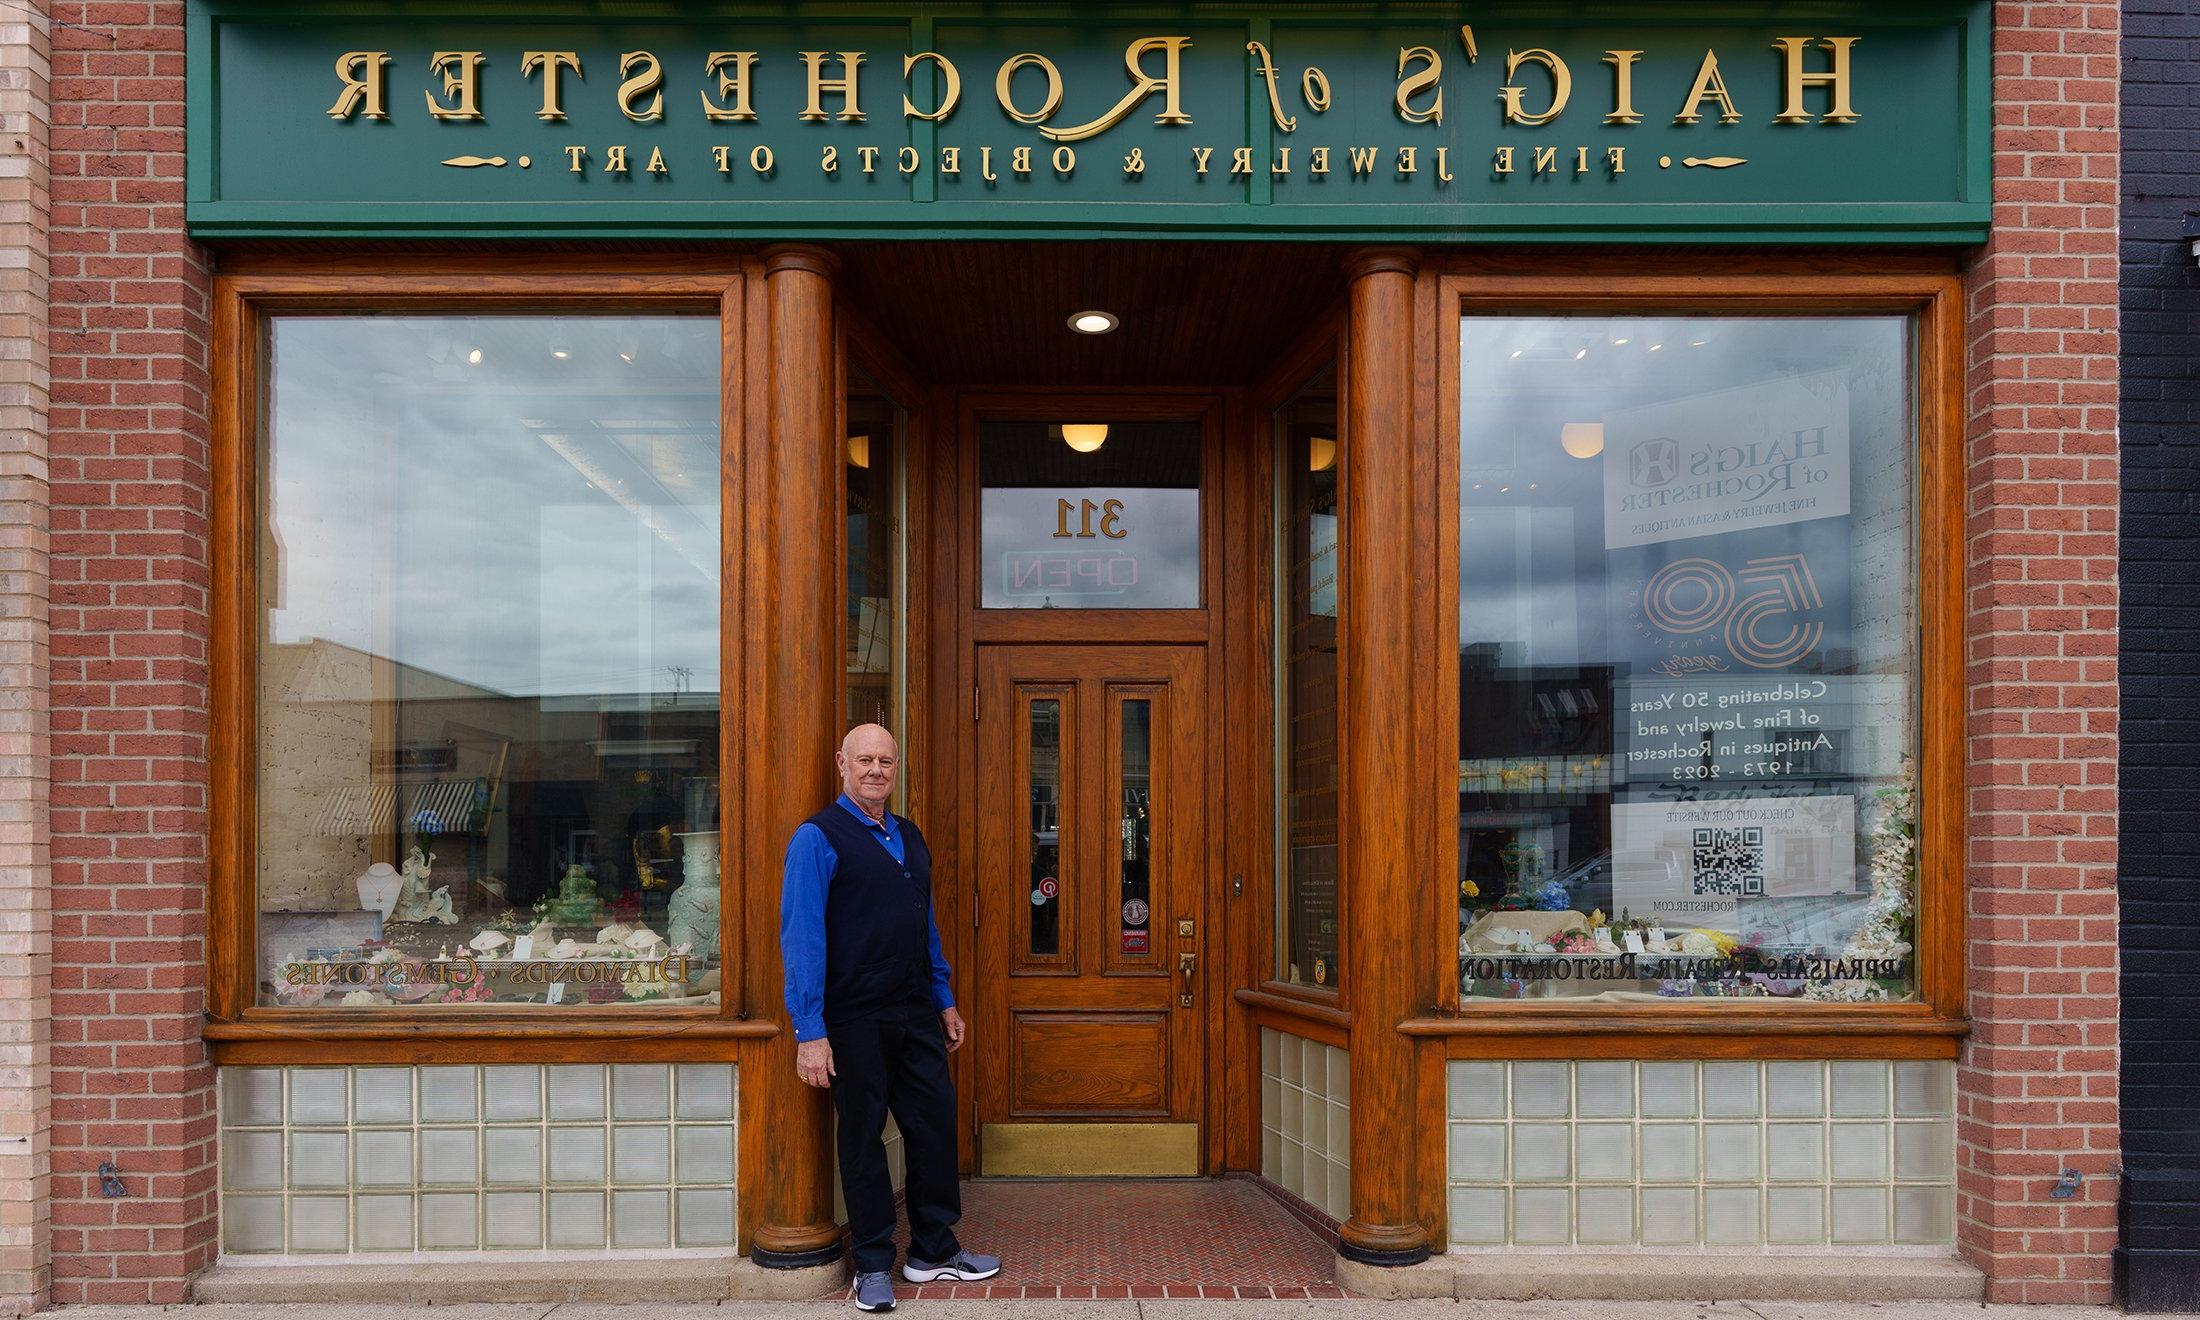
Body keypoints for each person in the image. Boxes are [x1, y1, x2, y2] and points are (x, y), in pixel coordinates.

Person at [781, 724, 1001, 1312]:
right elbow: (801, 937)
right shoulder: (816, 838)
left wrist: (944, 997)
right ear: (842, 764)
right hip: (852, 1019)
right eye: (865, 760)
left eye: (886, 761)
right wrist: (810, 1031)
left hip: (914, 1012)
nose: (876, 770)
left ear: (895, 768)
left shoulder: (908, 835)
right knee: (862, 1140)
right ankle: (873, 1263)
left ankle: (933, 1250)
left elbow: (921, 924)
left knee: (933, 1126)